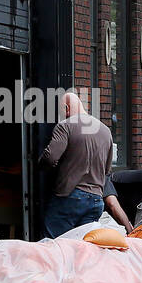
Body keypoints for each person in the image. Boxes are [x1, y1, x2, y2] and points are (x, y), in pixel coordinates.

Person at [40, 90, 114, 238]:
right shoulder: (105, 131)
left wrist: (40, 165)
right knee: (83, 248)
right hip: (96, 200)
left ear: (67, 108)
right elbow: (107, 169)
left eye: (62, 111)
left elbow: (50, 158)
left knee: (53, 245)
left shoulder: (65, 126)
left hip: (70, 197)